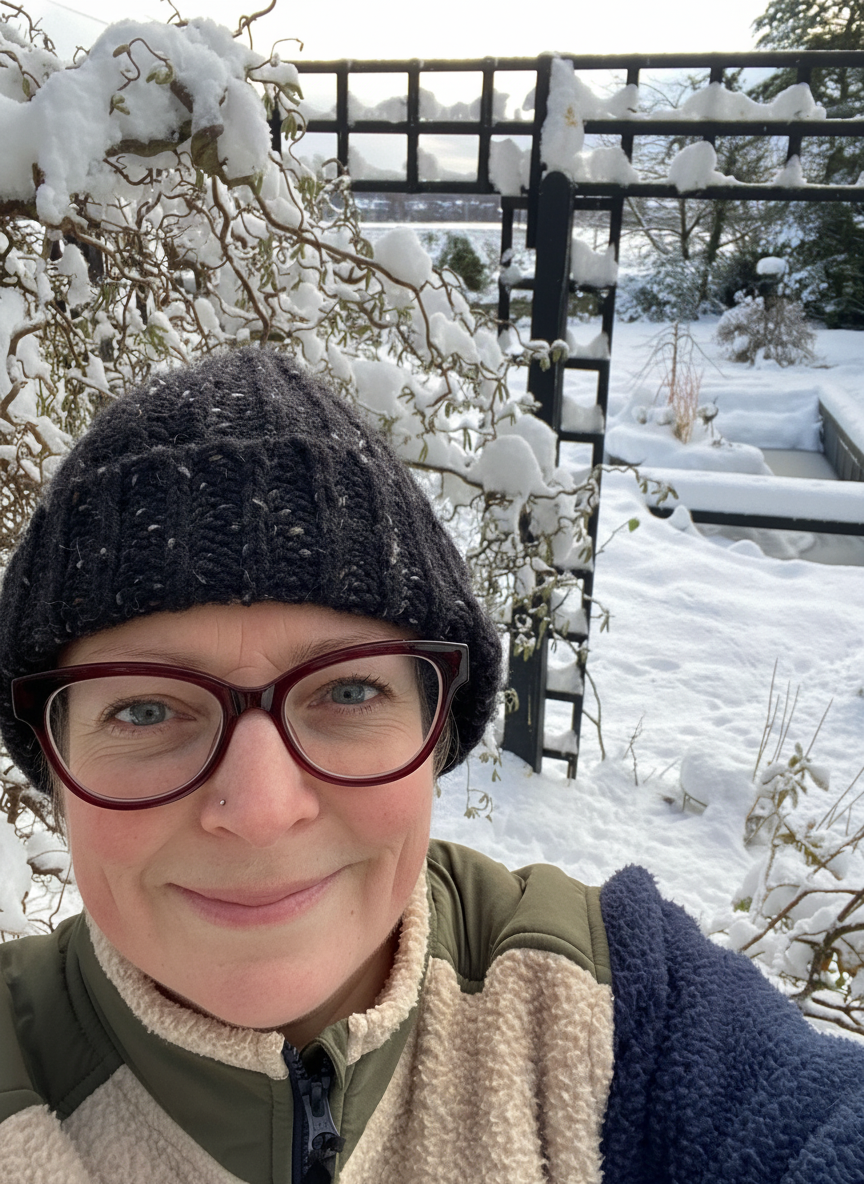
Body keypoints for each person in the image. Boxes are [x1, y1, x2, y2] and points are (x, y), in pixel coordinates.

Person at [0, 348, 862, 1184]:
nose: (260, 809)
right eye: (146, 710)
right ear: (54, 753)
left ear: (437, 727)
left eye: (346, 694)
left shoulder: (609, 998)